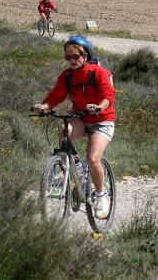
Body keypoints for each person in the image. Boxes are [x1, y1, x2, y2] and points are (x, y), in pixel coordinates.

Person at [32, 36, 115, 218]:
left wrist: (99, 107)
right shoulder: (67, 76)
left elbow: (108, 95)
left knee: (93, 159)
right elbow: (56, 96)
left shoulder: (99, 73)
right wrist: (44, 107)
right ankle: (64, 169)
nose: (72, 60)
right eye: (68, 57)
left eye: (76, 56)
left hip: (102, 121)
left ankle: (101, 196)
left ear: (86, 55)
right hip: (81, 118)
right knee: (64, 131)